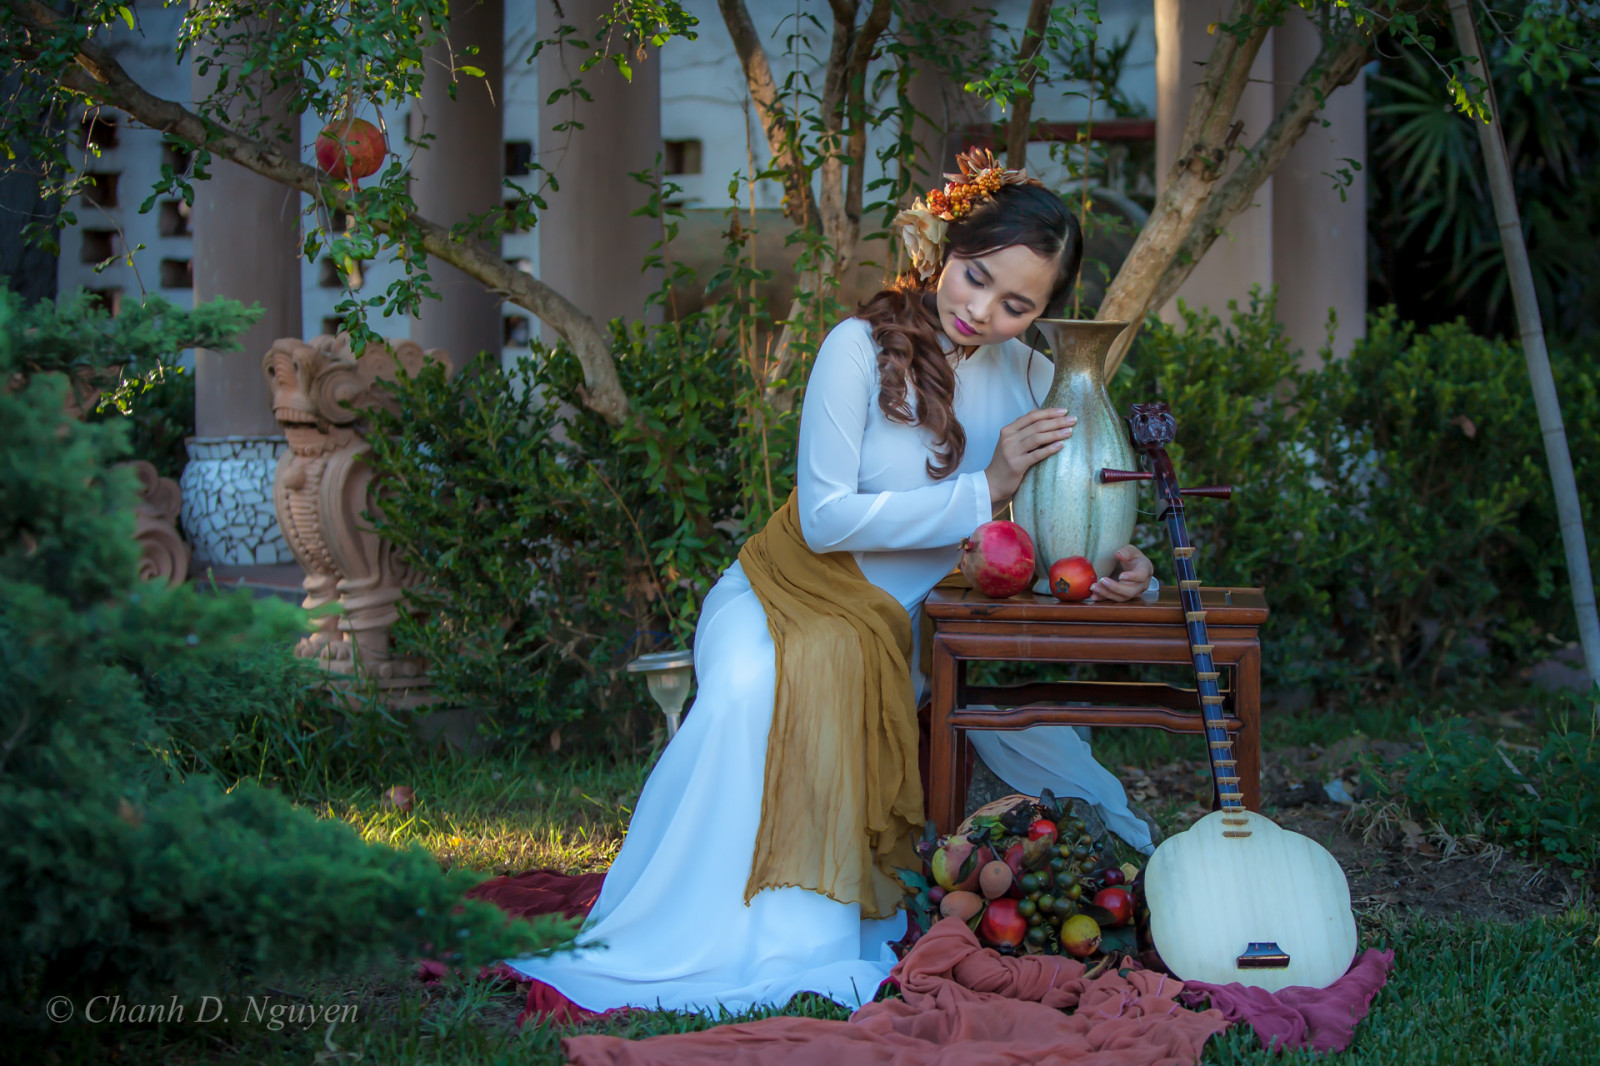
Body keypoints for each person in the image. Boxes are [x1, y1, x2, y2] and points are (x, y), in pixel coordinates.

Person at [503, 151, 1155, 1015]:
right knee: (747, 682)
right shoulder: (858, 349)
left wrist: (1122, 573)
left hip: (905, 628)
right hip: (783, 587)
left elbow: (1061, 529)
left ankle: (803, 926)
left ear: (1042, 313)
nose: (980, 310)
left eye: (1016, 304)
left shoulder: (1037, 380)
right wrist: (982, 488)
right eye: (976, 277)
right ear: (945, 249)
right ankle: (688, 920)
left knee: (1043, 760)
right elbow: (825, 519)